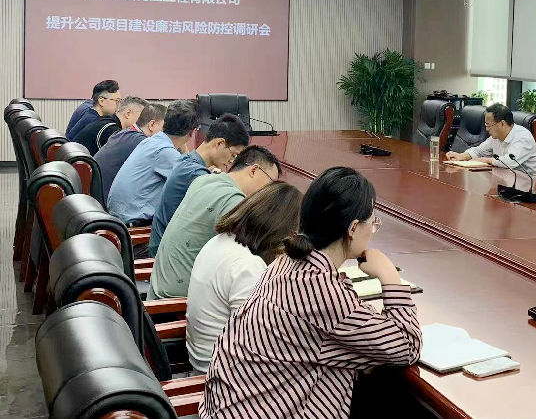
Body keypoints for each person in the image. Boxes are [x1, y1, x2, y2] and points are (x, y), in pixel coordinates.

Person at [201, 166, 421, 419]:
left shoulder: (287, 262)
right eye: (372, 223)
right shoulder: (322, 292)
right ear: (352, 228)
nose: (372, 230)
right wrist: (390, 278)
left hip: (231, 407)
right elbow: (407, 345)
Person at [186, 181, 301, 373]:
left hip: (204, 357)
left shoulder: (220, 241)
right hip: (221, 372)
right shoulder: (247, 265)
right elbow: (258, 342)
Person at [150, 145, 281, 298]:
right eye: (271, 183)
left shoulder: (205, 180)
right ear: (254, 170)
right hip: (175, 301)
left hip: (157, 289)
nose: (270, 191)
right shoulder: (235, 201)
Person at [149, 114, 250, 256]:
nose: (232, 161)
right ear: (219, 144)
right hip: (168, 253)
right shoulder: (195, 174)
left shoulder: (187, 160)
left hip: (164, 244)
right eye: (233, 155)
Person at [107, 100, 197, 234]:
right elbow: (197, 185)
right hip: (134, 229)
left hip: (118, 219)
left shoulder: (151, 141)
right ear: (191, 133)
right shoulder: (165, 152)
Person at [94, 103, 166, 205]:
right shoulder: (142, 143)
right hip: (107, 203)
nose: (166, 133)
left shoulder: (125, 133)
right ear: (152, 125)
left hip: (97, 197)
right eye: (164, 128)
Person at [445, 103, 536, 177]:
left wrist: (486, 160)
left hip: (532, 184)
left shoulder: (523, 137)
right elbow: (479, 150)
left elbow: (510, 162)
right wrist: (461, 156)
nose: (487, 129)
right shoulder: (496, 137)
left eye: (488, 125)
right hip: (508, 180)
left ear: (502, 123)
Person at [72, 96, 147, 155]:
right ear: (128, 113)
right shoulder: (110, 130)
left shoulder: (108, 122)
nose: (143, 121)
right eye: (141, 117)